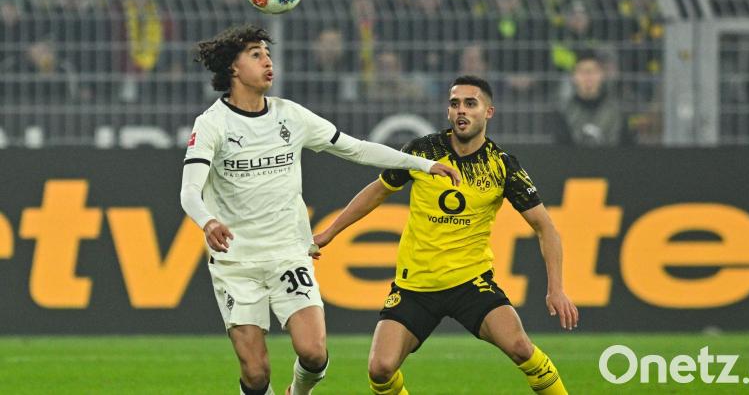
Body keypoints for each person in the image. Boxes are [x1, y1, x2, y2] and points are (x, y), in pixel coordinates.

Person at [179, 24, 461, 395]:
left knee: (313, 352)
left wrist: (420, 164)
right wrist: (208, 220)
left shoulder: (290, 116)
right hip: (237, 263)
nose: (268, 61)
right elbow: (189, 192)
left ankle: (299, 392)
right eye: (256, 55)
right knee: (256, 373)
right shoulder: (213, 124)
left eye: (268, 53)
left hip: (288, 254)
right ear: (233, 69)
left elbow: (357, 148)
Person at [313, 75, 578, 394]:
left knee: (521, 348)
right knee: (380, 369)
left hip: (471, 283)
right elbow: (378, 191)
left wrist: (557, 289)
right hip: (415, 287)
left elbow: (545, 226)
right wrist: (329, 232)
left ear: (488, 112)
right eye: (455, 104)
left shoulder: (501, 165)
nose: (461, 110)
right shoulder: (422, 152)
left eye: (470, 103)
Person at [554, 51, 635, 146]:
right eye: (582, 71)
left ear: (602, 75)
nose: (588, 77)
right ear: (573, 77)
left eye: (593, 71)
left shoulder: (618, 112)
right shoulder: (562, 112)